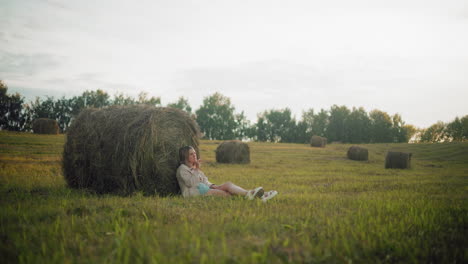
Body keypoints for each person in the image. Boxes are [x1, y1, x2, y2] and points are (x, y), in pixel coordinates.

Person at [176, 146, 278, 202]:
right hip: (194, 194)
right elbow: (191, 183)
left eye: (195, 153)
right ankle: (257, 197)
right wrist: (197, 169)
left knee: (228, 185)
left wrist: (215, 186)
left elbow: (205, 182)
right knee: (226, 194)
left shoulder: (195, 169)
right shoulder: (182, 169)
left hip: (205, 189)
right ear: (185, 156)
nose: (195, 155)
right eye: (191, 154)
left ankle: (252, 194)